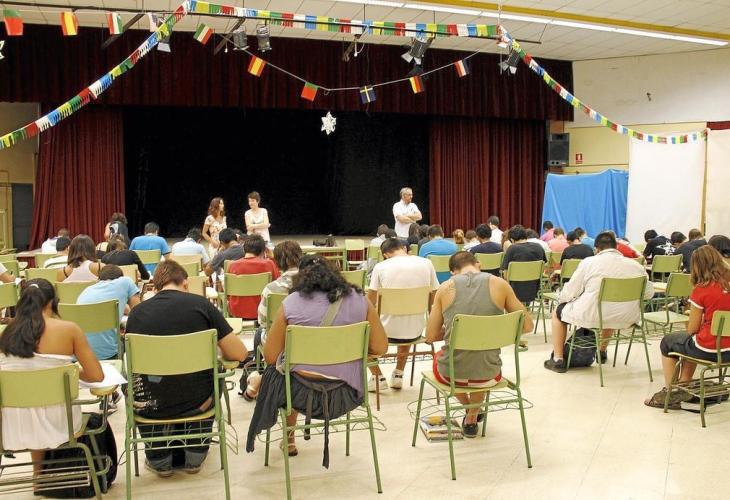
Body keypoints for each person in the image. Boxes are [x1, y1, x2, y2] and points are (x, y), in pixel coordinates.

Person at [247, 255, 387, 458]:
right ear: (336, 275)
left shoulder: (291, 303)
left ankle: (288, 436)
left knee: (284, 370)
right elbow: (381, 348)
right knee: (291, 369)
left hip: (299, 396)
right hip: (346, 394)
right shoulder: (360, 300)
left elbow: (270, 357)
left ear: (301, 278)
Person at [126, 261, 247, 476]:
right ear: (185, 283)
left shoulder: (137, 313)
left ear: (156, 287)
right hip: (198, 402)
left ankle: (159, 458)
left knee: (139, 381)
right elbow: (239, 354)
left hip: (153, 405)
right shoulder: (201, 305)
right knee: (214, 375)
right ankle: (195, 453)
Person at [426, 252, 533, 438]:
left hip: (451, 377)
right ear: (479, 264)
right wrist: (493, 331)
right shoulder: (500, 284)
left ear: (452, 272)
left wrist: (455, 331)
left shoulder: (445, 288)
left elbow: (430, 336)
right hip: (489, 375)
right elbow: (527, 326)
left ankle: (469, 409)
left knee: (440, 358)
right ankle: (472, 416)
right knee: (482, 358)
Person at [0, 279, 103, 470]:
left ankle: (37, 475)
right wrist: (69, 373)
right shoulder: (68, 329)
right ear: (52, 302)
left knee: (33, 405)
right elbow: (96, 376)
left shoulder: (5, 334)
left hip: (13, 425)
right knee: (46, 407)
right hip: (62, 423)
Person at [544, 231, 654, 373]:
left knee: (558, 313)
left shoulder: (589, 263)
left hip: (595, 315)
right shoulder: (636, 266)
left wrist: (561, 298)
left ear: (596, 249)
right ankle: (602, 352)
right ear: (616, 247)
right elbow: (648, 294)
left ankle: (558, 359)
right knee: (612, 308)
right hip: (628, 317)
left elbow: (570, 292)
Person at [645, 246, 730, 409]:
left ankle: (671, 394)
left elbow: (692, 329)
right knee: (688, 342)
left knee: (670, 342)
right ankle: (684, 384)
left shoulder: (702, 289)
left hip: (711, 348)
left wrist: (698, 317)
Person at [367, 238, 439, 392]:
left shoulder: (380, 267)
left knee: (357, 338)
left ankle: (377, 377)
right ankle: (398, 374)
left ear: (385, 254)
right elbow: (434, 295)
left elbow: (369, 302)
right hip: (416, 330)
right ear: (404, 249)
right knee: (408, 319)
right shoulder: (427, 263)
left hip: (385, 333)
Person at [76, 264, 140, 361]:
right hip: (109, 354)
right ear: (120, 278)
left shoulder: (86, 291)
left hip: (81, 355)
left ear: (98, 279)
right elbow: (138, 312)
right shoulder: (125, 281)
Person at [227, 234, 280, 320]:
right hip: (263, 312)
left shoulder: (233, 265)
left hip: (237, 312)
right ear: (263, 251)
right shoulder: (269, 264)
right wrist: (273, 258)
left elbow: (228, 294)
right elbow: (277, 286)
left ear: (244, 249)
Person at [501, 225, 546, 304]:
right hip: (533, 290)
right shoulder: (538, 247)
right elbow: (542, 269)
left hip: (514, 292)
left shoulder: (512, 249)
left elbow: (506, 276)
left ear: (512, 240)